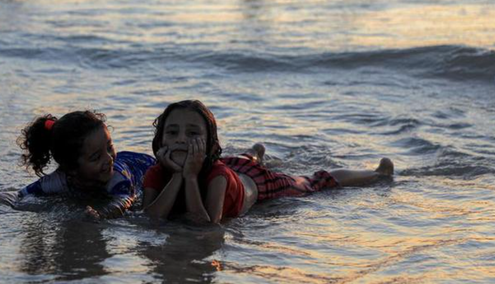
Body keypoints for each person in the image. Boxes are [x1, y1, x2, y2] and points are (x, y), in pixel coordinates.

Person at [142, 100, 394, 224]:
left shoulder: (216, 176)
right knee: (242, 159)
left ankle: (377, 172)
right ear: (160, 140)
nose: (181, 140)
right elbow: (151, 217)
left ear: (209, 145)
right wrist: (177, 175)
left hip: (256, 182)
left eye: (193, 134)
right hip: (234, 164)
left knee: (314, 182)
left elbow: (205, 223)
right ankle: (255, 152)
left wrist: (188, 176)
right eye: (172, 133)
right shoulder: (156, 173)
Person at [0, 110, 155, 219]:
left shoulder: (117, 177)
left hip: (144, 167)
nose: (108, 159)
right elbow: (21, 195)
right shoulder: (59, 180)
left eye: (109, 147)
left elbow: (122, 202)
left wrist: (101, 214)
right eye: (96, 157)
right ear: (71, 168)